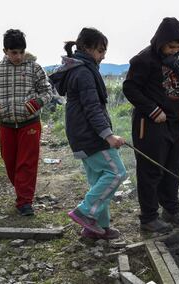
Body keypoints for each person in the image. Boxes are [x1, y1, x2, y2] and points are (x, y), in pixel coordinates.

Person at [49, 27, 127, 239]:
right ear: (87, 48)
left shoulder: (78, 69)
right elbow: (92, 108)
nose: (103, 55)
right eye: (100, 51)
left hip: (80, 137)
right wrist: (109, 136)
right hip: (91, 137)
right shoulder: (84, 72)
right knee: (117, 173)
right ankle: (84, 212)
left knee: (99, 181)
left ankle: (97, 228)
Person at [123, 17, 179, 233]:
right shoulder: (143, 60)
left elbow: (175, 88)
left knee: (173, 166)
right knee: (151, 170)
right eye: (171, 46)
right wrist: (154, 110)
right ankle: (149, 217)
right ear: (160, 42)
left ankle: (171, 209)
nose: (174, 51)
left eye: (178, 47)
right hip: (150, 124)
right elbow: (130, 88)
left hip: (173, 123)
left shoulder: (174, 62)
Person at [0, 29, 53, 216]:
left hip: (30, 123)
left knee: (27, 163)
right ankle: (22, 191)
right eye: (14, 52)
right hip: (6, 125)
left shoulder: (34, 68)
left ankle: (24, 202)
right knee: (10, 163)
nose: (19, 56)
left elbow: (47, 92)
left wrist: (34, 104)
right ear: (5, 50)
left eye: (22, 52)